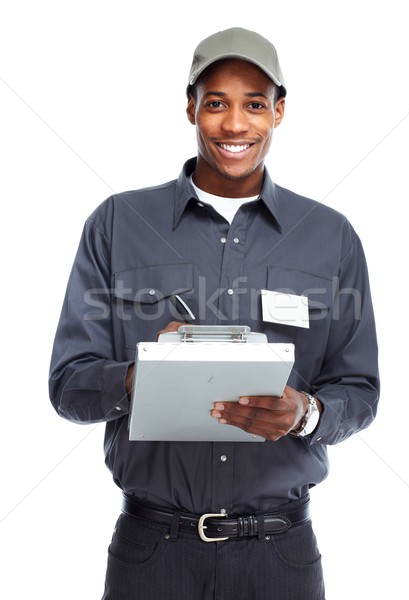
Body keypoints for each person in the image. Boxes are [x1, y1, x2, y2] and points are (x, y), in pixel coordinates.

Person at [49, 27, 379, 600]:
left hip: (281, 557)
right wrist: (143, 375)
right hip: (153, 555)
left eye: (254, 104)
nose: (234, 125)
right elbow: (68, 385)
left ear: (279, 111)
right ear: (190, 108)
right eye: (216, 103)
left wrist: (306, 413)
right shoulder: (117, 224)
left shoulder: (331, 237)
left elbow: (361, 390)